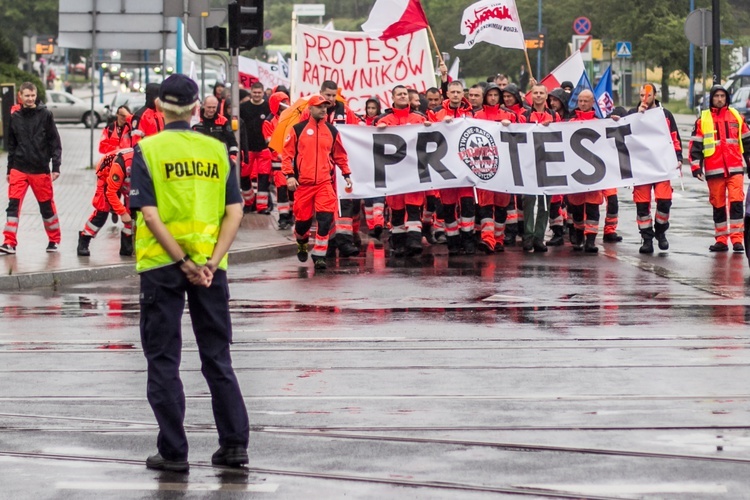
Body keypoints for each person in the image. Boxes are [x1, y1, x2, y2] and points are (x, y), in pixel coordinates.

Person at [130, 74, 249, 472]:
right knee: (217, 357)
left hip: (163, 268)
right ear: (198, 107)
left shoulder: (146, 149)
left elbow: (149, 214)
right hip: (211, 271)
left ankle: (173, 452)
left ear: (160, 108)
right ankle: (234, 446)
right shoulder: (216, 150)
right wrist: (211, 262)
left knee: (164, 359)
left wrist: (182, 260)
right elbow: (236, 211)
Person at [282, 94, 352, 270]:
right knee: (302, 223)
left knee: (325, 218)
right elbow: (287, 155)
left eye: (325, 107)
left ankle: (319, 255)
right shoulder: (297, 129)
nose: (323, 109)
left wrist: (346, 174)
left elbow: (340, 155)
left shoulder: (332, 131)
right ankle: (302, 242)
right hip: (303, 185)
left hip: (324, 183)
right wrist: (289, 175)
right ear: (310, 109)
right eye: (319, 106)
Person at [0, 82, 62, 255]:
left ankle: (53, 240)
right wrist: (8, 170)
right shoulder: (15, 116)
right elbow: (11, 145)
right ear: (20, 96)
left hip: (40, 169)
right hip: (19, 168)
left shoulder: (46, 115)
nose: (30, 98)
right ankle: (9, 242)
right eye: (27, 95)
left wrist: (56, 166)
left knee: (46, 207)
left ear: (36, 95)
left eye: (32, 95)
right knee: (13, 205)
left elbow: (54, 142)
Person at [689, 84, 750, 253]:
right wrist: (696, 167)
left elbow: (747, 142)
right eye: (717, 96)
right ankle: (721, 239)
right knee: (718, 205)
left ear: (727, 98)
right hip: (714, 170)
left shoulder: (737, 117)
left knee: (736, 202)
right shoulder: (703, 119)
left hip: (735, 168)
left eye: (723, 96)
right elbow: (695, 146)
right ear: (711, 98)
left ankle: (737, 240)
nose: (720, 99)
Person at [625, 84, 683, 254]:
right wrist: (637, 115)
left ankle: (660, 230)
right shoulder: (633, 114)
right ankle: (647, 239)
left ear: (655, 96)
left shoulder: (665, 115)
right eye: (642, 95)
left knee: (664, 201)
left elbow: (674, 138)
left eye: (648, 95)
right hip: (641, 167)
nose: (644, 98)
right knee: (642, 206)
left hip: (661, 165)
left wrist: (678, 158)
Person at [375, 85, 431, 257]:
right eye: (399, 94)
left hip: (413, 172)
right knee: (397, 208)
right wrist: (379, 128)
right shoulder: (384, 119)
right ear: (392, 98)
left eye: (405, 94)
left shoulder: (419, 118)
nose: (402, 96)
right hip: (394, 174)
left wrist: (430, 127)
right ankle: (398, 243)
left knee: (414, 207)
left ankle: (414, 240)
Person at [431, 80, 476, 255]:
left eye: (459, 92)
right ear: (447, 94)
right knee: (448, 207)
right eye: (453, 92)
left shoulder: (472, 113)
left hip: (465, 167)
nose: (456, 95)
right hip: (445, 168)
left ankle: (468, 239)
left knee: (467, 206)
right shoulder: (436, 113)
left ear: (462, 94)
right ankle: (453, 242)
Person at [521, 84, 560, 253]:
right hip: (529, 163)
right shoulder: (524, 115)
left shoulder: (554, 115)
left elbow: (560, 135)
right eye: (535, 93)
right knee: (528, 201)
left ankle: (539, 237)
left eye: (541, 93)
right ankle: (527, 236)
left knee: (545, 202)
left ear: (546, 96)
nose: (538, 96)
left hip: (547, 163)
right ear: (531, 96)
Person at [77, 148, 135, 257]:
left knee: (132, 211)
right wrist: (122, 213)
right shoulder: (122, 163)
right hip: (106, 173)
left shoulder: (148, 163)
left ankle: (126, 248)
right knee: (102, 212)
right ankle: (84, 240)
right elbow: (111, 192)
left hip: (127, 177)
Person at [567, 90, 602, 253]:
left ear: (592, 102)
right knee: (577, 208)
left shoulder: (600, 123)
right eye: (580, 101)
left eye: (586, 101)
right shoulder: (570, 122)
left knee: (593, 208)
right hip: (576, 173)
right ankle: (579, 236)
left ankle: (591, 241)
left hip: (595, 174)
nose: (582, 104)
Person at [239, 82, 273, 214]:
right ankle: (249, 202)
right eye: (255, 92)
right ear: (251, 92)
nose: (257, 95)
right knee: (244, 176)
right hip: (248, 148)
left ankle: (262, 207)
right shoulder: (243, 107)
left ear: (263, 92)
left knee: (264, 178)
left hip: (264, 148)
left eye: (259, 93)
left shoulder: (268, 107)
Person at [262, 91, 294, 230]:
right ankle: (283, 217)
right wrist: (282, 155)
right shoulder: (269, 122)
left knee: (293, 190)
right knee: (282, 190)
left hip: (291, 160)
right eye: (283, 103)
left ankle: (291, 214)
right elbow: (270, 143)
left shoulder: (291, 118)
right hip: (279, 162)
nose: (286, 105)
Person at [362, 98, 386, 239]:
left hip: (378, 163)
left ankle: (378, 223)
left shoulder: (383, 122)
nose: (371, 110)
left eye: (373, 108)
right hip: (365, 164)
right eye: (368, 108)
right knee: (368, 197)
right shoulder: (360, 124)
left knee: (378, 194)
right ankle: (371, 226)